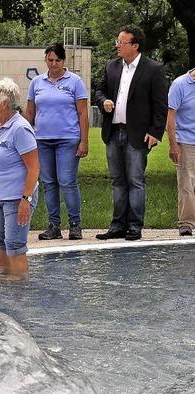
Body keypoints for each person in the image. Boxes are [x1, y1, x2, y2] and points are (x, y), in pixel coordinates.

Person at [94, 25, 168, 241]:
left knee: (135, 180)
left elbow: (160, 104)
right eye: (118, 41)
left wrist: (155, 132)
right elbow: (99, 91)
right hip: (113, 132)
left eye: (121, 42)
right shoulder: (111, 67)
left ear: (134, 46)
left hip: (138, 134)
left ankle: (134, 226)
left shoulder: (153, 69)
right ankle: (117, 225)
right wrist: (103, 101)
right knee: (117, 181)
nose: (117, 45)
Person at [24, 44, 89, 241]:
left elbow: (83, 113)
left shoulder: (75, 82)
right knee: (48, 182)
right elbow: (29, 113)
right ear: (46, 60)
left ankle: (75, 224)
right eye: (50, 60)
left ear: (64, 61)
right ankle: (53, 225)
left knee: (67, 181)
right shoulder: (37, 82)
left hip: (68, 139)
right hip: (42, 139)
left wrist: (84, 141)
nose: (54, 64)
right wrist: (24, 136)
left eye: (58, 61)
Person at [0, 78, 39, 277]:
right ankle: (6, 283)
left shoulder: (20, 128)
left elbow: (34, 168)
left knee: (15, 247)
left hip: (17, 198)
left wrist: (25, 199)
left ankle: (19, 291)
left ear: (4, 103)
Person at [167, 67, 195, 236]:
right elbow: (170, 117)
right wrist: (173, 145)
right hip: (185, 141)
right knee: (187, 183)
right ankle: (186, 223)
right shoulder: (179, 84)